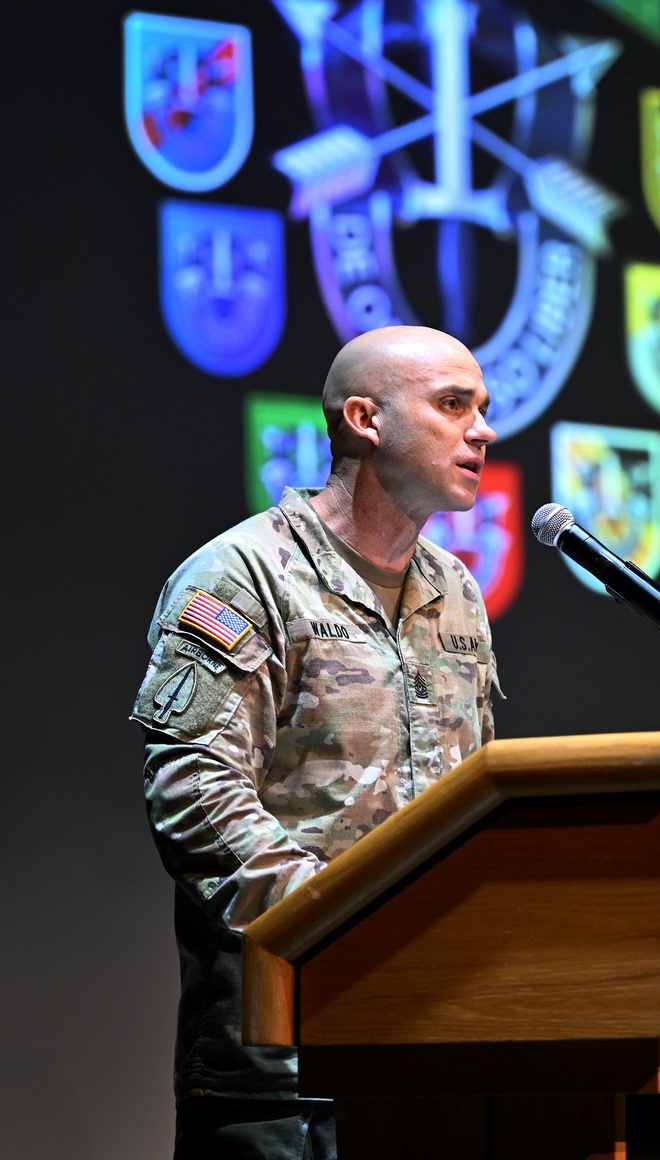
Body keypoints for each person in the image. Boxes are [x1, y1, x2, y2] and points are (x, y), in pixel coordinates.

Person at [131, 325, 503, 1160]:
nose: (483, 430)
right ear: (366, 419)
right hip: (284, 1066)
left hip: (433, 1050)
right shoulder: (242, 576)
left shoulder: (457, 593)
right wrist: (354, 927)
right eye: (453, 405)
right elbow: (198, 802)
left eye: (483, 408)